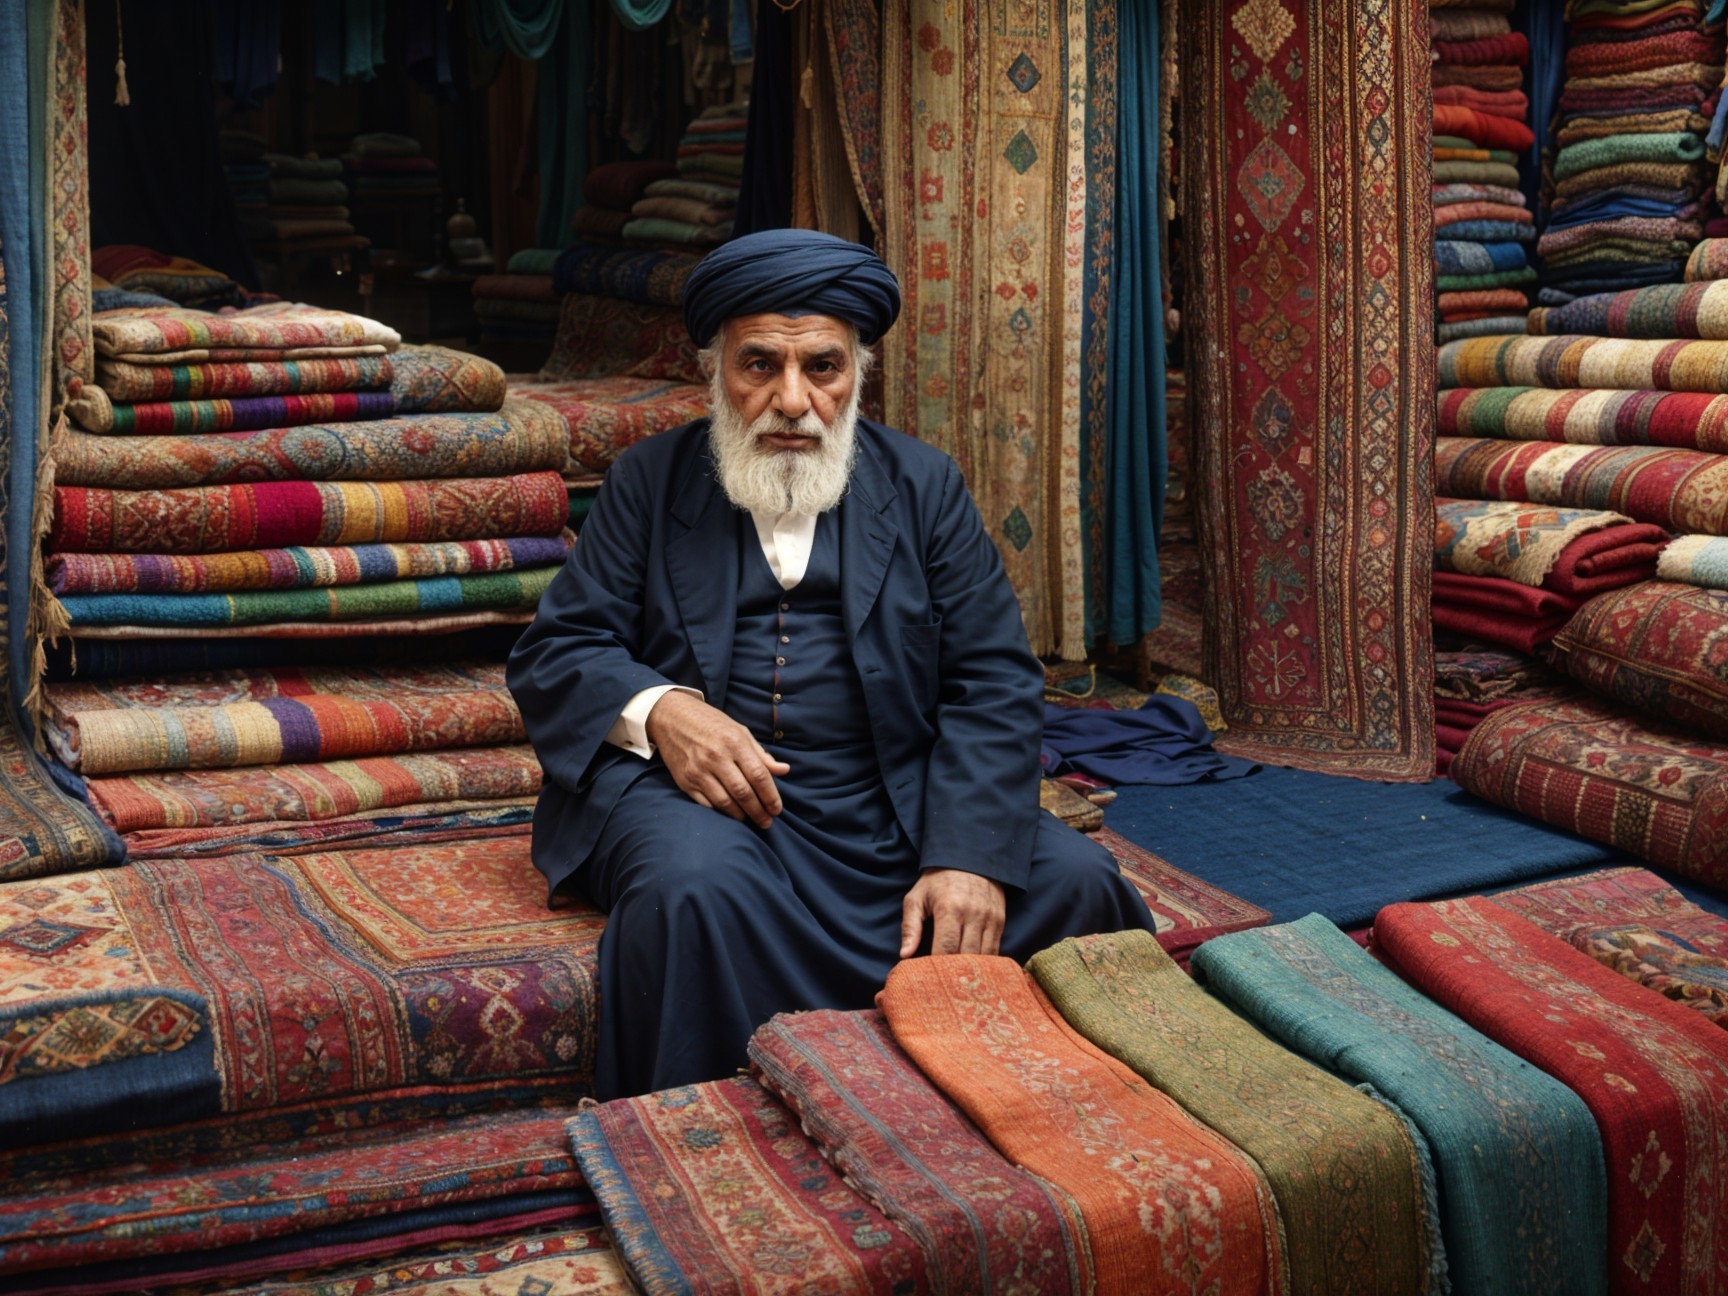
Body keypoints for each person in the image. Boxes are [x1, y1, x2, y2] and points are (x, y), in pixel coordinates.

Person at [507, 229, 1159, 1099]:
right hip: (706, 805)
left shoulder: (923, 486)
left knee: (1075, 884)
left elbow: (993, 678)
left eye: (822, 366)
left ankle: (1034, 1113)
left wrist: (965, 855)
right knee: (694, 895)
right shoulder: (649, 481)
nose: (791, 399)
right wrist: (662, 711)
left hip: (887, 796)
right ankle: (708, 1138)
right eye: (759, 366)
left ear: (858, 373)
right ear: (716, 372)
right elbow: (558, 648)